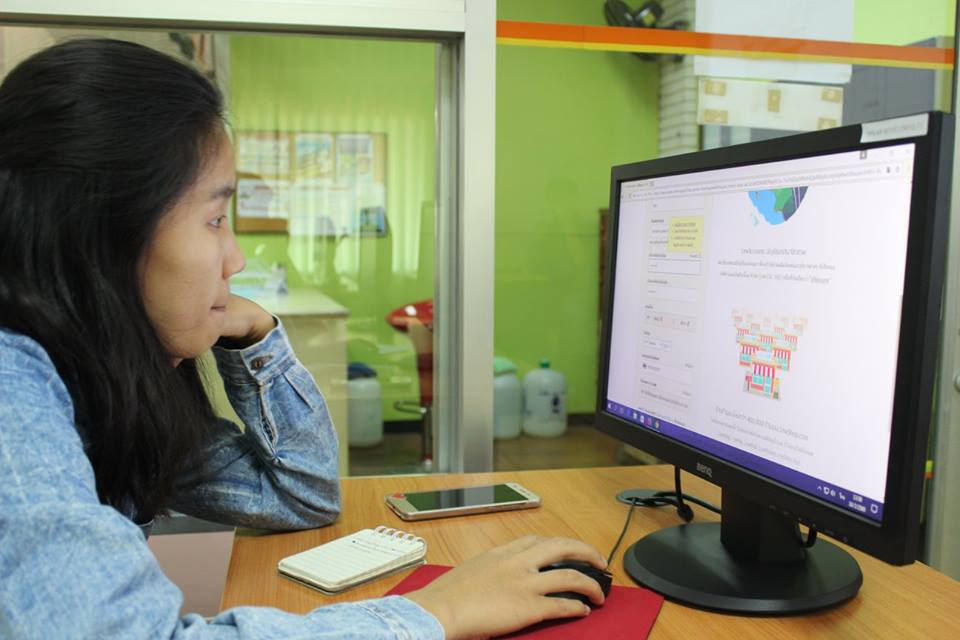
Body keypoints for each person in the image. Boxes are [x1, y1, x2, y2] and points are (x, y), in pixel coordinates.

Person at [0, 38, 608, 639]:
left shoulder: (108, 388)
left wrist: (257, 338)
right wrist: (436, 612)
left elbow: (300, 496)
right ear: (102, 235)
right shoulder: (12, 391)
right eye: (215, 220)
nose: (235, 258)